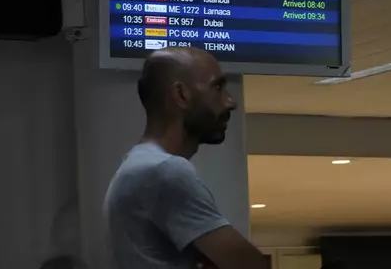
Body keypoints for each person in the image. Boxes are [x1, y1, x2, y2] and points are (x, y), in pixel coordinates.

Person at [103, 47, 268, 269]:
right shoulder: (163, 171)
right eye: (217, 87)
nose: (230, 102)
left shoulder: (137, 166)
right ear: (181, 95)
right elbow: (252, 266)